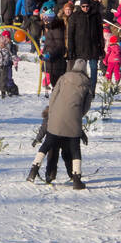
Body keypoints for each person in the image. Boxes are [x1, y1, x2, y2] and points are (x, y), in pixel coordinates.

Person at [26, 58, 94, 188]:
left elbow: (53, 97)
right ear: (85, 69)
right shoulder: (87, 83)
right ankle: (76, 178)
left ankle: (33, 171)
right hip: (74, 119)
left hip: (56, 116)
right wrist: (77, 115)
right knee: (75, 150)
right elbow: (86, 105)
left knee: (46, 145)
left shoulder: (63, 78)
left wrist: (53, 112)